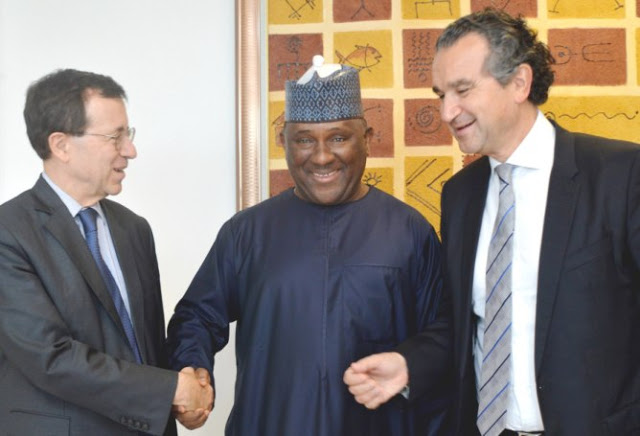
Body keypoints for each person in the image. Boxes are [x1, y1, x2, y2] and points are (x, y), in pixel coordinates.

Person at [343, 8, 640, 436]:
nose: (447, 112)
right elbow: (464, 321)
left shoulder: (620, 176)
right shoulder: (460, 195)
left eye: (462, 90)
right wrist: (409, 364)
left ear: (519, 82)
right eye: (440, 94)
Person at [166, 55, 450, 435]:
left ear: (367, 140)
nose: (321, 156)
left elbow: (442, 340)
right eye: (304, 140)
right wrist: (193, 368)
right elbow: (197, 316)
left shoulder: (410, 232)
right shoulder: (246, 233)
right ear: (283, 143)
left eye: (338, 138)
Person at [0, 69, 213, 435]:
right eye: (115, 137)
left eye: (128, 135)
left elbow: (146, 347)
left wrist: (185, 387)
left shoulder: (133, 229)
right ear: (61, 145)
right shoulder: (10, 232)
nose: (130, 151)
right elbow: (51, 357)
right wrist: (169, 390)